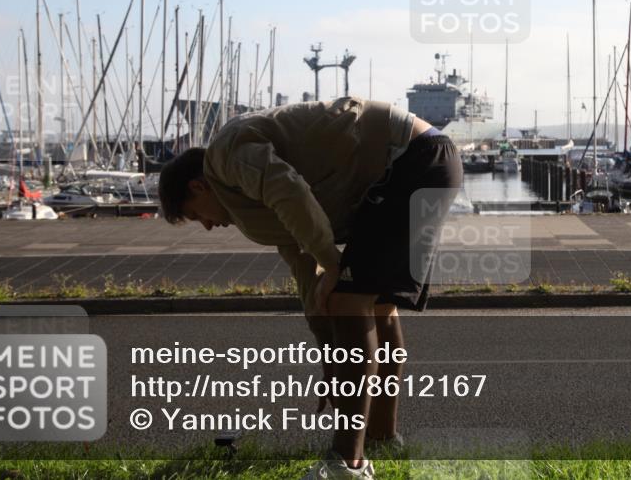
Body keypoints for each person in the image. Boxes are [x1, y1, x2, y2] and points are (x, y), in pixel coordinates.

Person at [158, 96, 463, 479]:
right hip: (422, 163)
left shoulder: (227, 155)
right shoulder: (247, 207)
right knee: (378, 307)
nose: (205, 226)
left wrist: (332, 264)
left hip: (413, 158)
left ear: (198, 186)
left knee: (350, 301)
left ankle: (347, 465)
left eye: (195, 215)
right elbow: (307, 276)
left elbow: (289, 190)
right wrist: (331, 361)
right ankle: (382, 439)